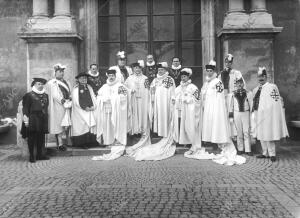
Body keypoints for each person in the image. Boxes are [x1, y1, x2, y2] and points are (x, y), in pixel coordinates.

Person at [187, 60, 246, 165]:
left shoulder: (218, 82)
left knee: (217, 126)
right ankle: (216, 145)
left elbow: (220, 97)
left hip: (215, 108)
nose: (209, 72)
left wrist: (216, 110)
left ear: (213, 71)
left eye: (211, 71)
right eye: (207, 71)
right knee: (209, 127)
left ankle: (223, 146)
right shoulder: (206, 83)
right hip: (207, 108)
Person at [126, 62, 176, 161]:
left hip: (164, 103)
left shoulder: (168, 79)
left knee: (164, 118)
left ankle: (166, 136)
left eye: (162, 70)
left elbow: (172, 91)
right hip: (143, 103)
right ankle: (137, 136)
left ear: (165, 70)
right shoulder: (154, 80)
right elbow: (151, 90)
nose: (160, 71)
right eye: (159, 70)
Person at [252, 67, 289, 162]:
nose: (261, 79)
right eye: (259, 77)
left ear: (266, 77)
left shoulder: (272, 87)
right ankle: (265, 153)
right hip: (258, 114)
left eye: (262, 77)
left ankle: (272, 154)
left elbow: (276, 101)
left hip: (268, 115)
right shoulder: (256, 89)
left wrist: (271, 112)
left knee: (269, 134)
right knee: (261, 134)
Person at [92, 69, 129, 160]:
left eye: (112, 76)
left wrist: (113, 99)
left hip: (116, 111)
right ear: (107, 76)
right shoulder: (104, 86)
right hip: (105, 110)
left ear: (115, 76)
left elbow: (124, 97)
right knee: (107, 125)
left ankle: (117, 141)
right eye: (109, 76)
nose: (111, 77)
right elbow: (99, 96)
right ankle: (108, 141)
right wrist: (102, 99)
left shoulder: (120, 86)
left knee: (114, 125)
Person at [21, 78, 49, 163]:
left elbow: (46, 107)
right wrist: (26, 120)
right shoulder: (28, 95)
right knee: (32, 137)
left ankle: (40, 155)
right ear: (34, 85)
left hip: (42, 118)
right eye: (38, 84)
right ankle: (32, 156)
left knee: (41, 137)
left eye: (42, 84)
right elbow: (25, 108)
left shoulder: (45, 95)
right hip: (33, 118)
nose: (40, 86)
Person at [173, 68, 202, 148]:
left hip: (189, 110)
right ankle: (180, 141)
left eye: (185, 76)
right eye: (182, 77)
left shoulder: (193, 87)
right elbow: (174, 95)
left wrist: (188, 100)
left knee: (188, 125)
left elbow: (198, 99)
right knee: (180, 125)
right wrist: (173, 99)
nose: (183, 78)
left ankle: (189, 141)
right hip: (180, 110)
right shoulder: (178, 87)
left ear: (189, 77)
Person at [46, 63, 72, 151]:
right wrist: (63, 101)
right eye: (59, 71)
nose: (61, 73)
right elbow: (55, 95)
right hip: (58, 106)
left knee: (67, 123)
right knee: (59, 124)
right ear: (55, 73)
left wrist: (70, 99)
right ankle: (60, 143)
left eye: (62, 72)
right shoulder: (52, 82)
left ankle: (67, 141)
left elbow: (69, 92)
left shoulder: (66, 82)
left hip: (67, 105)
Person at [218, 54, 245, 138]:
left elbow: (241, 84)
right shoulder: (221, 74)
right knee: (225, 116)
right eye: (226, 62)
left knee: (234, 116)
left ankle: (235, 135)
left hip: (234, 96)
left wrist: (237, 93)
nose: (228, 64)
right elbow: (218, 86)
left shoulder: (236, 73)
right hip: (225, 97)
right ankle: (226, 134)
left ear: (232, 63)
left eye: (229, 62)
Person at [71, 73, 97, 148]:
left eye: (85, 78)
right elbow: (76, 100)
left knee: (89, 125)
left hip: (89, 109)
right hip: (80, 110)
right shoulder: (76, 88)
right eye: (82, 78)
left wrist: (93, 106)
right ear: (78, 80)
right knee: (82, 126)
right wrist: (85, 107)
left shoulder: (89, 87)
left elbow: (92, 97)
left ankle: (90, 142)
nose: (84, 80)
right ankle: (81, 143)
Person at [228, 76, 253, 156]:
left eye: (241, 83)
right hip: (237, 113)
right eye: (238, 83)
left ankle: (248, 150)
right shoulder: (233, 94)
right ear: (236, 84)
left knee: (246, 131)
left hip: (246, 113)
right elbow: (231, 106)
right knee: (239, 132)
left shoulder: (248, 93)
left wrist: (251, 115)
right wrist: (231, 116)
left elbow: (251, 104)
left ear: (243, 84)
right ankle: (240, 149)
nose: (239, 85)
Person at [125, 61, 150, 137]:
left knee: (142, 113)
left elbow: (148, 89)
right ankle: (135, 131)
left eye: (139, 68)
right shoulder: (129, 78)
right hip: (133, 99)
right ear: (133, 69)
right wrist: (130, 91)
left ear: (141, 69)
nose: (137, 69)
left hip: (143, 100)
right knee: (134, 114)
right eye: (135, 68)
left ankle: (142, 130)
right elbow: (125, 88)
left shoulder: (145, 78)